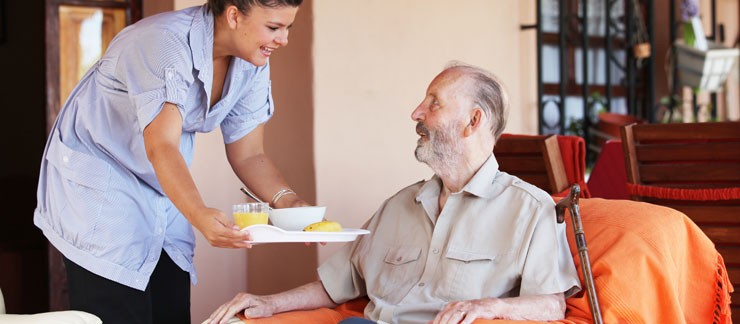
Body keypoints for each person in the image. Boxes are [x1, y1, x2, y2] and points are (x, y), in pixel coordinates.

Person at [207, 63, 581, 324]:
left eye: (434, 103)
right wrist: (267, 302)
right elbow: (336, 285)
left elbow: (550, 304)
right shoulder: (399, 205)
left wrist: (488, 307)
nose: (416, 113)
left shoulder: (529, 210)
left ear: (473, 121)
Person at [33, 0, 308, 323]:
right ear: (234, 15)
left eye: (288, 27)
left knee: (171, 305)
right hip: (102, 187)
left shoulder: (252, 60)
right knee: (118, 310)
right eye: (274, 27)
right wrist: (200, 215)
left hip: (161, 185)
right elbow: (161, 146)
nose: (284, 39)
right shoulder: (163, 43)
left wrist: (288, 202)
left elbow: (249, 154)